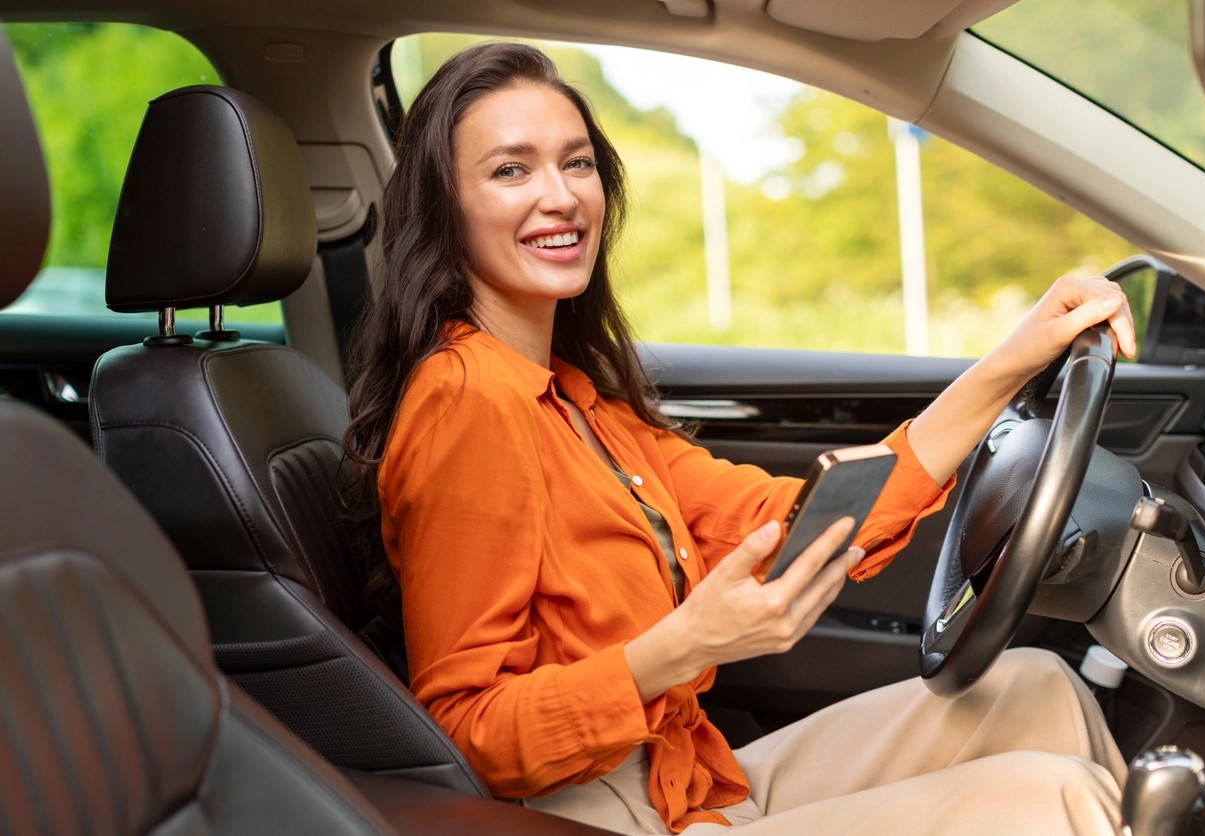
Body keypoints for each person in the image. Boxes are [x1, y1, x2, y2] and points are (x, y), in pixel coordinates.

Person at [344, 41, 1137, 835]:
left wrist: (1017, 356)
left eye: (577, 163)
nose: (560, 196)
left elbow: (788, 522)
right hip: (596, 812)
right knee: (1054, 799)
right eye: (511, 171)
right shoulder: (464, 399)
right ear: (445, 208)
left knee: (1037, 686)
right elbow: (467, 736)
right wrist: (682, 646)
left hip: (684, 779)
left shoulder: (581, 399)